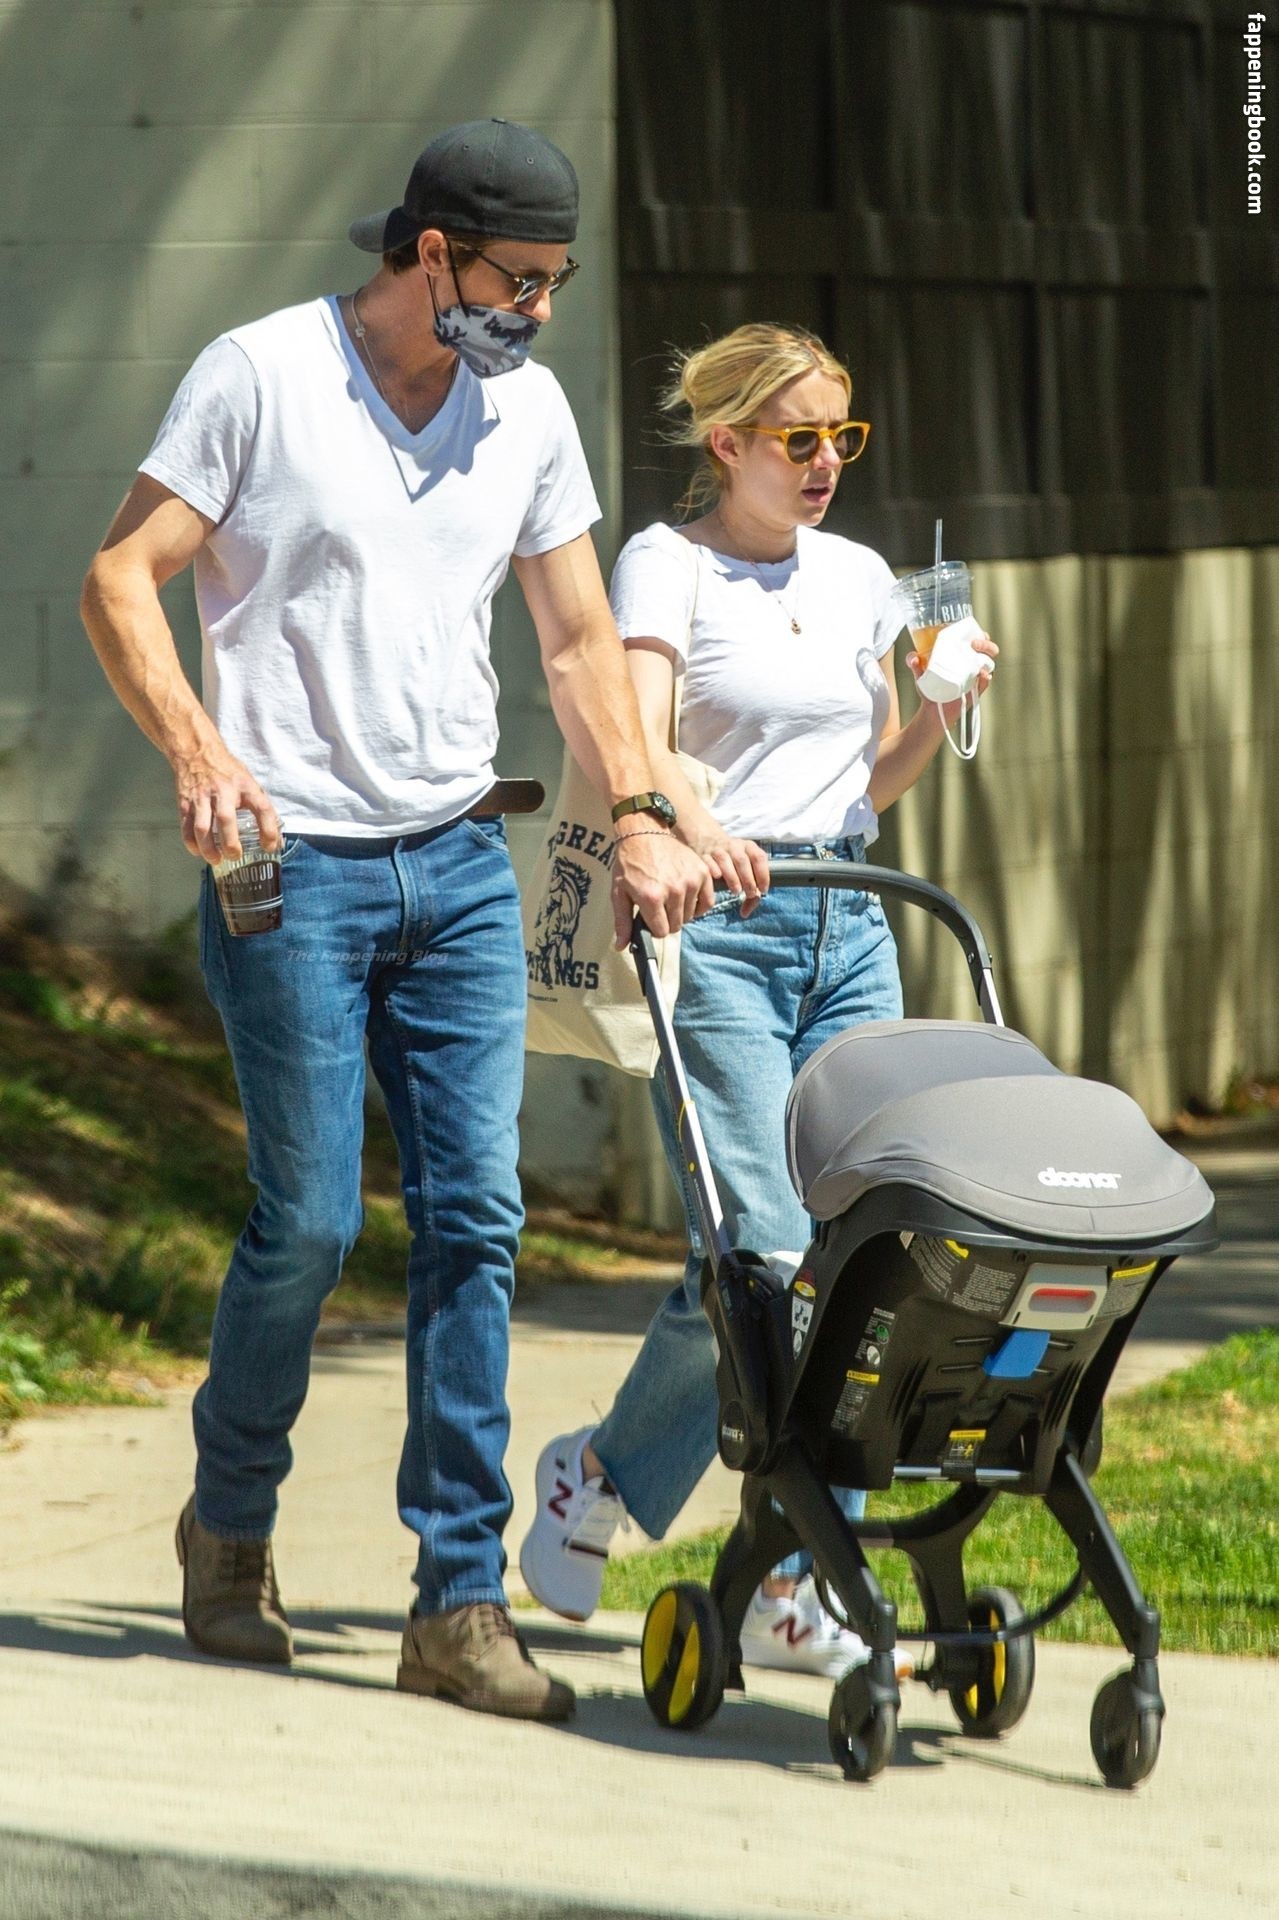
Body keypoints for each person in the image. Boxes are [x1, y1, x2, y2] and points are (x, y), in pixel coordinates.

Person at [79, 119, 709, 1724]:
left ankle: (457, 1598)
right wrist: (198, 750)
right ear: (432, 254)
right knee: (305, 1224)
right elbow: (121, 577)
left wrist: (642, 812)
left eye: (557, 282)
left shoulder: (527, 411)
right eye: (518, 280)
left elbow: (578, 641)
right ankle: (230, 1522)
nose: (538, 311)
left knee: (476, 1221)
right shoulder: (262, 376)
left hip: (460, 863)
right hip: (290, 869)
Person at [520, 323, 996, 1676]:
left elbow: (866, 785)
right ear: (726, 442)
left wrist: (940, 704)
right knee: (764, 1258)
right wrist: (689, 822)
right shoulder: (666, 566)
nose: (827, 461)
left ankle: (751, 1552)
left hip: (852, 922)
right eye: (799, 438)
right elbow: (638, 737)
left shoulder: (859, 578)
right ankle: (678, 1515)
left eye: (843, 435)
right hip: (721, 931)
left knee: (859, 1258)